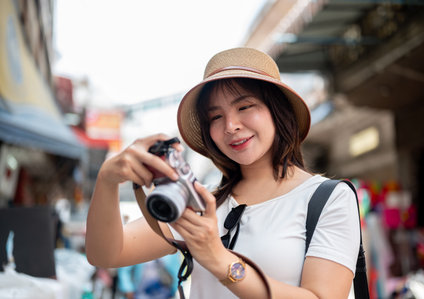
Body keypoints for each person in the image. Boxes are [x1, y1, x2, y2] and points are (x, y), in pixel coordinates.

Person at [85, 47, 361, 299]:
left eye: (244, 107)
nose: (230, 125)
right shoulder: (201, 205)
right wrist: (107, 179)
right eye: (215, 117)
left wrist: (217, 258)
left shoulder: (328, 199)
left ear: (278, 111)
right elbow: (105, 254)